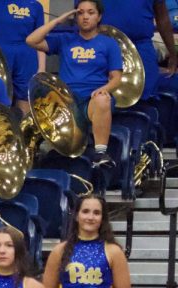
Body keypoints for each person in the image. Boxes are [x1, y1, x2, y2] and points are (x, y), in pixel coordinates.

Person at [27, 2, 122, 166]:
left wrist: (104, 89)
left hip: (92, 100)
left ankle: (100, 154)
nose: (85, 17)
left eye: (91, 13)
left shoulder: (109, 44)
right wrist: (59, 20)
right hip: (66, 102)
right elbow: (31, 40)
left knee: (102, 99)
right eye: (81, 13)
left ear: (98, 17)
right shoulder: (65, 39)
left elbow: (116, 78)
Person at [99, 0, 178, 102]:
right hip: (101, 47)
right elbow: (82, 14)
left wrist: (172, 54)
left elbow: (162, 17)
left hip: (141, 49)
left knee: (146, 99)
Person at [0, 0, 46, 111]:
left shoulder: (36, 6)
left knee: (25, 97)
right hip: (1, 56)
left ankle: (23, 127)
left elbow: (40, 39)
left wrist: (42, 67)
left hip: (27, 56)